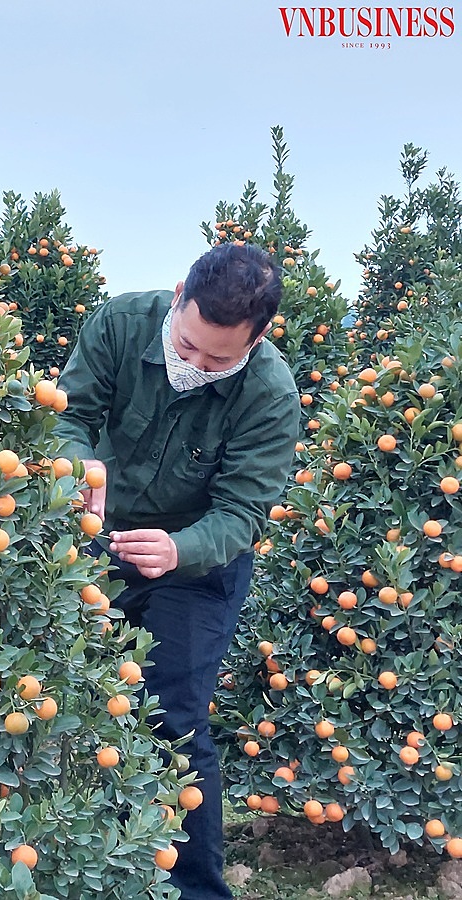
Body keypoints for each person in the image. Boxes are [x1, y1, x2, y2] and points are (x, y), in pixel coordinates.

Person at [53, 242, 300, 899]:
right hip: (96, 543)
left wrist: (178, 549)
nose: (194, 364)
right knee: (77, 705)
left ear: (255, 341)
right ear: (177, 298)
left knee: (174, 721)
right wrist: (77, 465)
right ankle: (95, 865)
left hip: (196, 565)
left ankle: (195, 890)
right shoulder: (119, 324)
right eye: (187, 345)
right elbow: (69, 414)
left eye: (219, 359)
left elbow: (242, 512)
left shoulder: (269, 394)